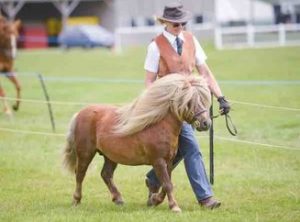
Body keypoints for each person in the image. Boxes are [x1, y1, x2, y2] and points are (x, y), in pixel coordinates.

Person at [144, 2, 230, 209]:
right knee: (192, 148)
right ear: (165, 22)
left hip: (191, 106)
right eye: (176, 24)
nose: (180, 27)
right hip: (169, 109)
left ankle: (153, 179)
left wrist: (220, 97)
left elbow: (205, 73)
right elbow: (149, 81)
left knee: (180, 150)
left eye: (183, 23)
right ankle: (205, 198)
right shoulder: (155, 46)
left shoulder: (191, 40)